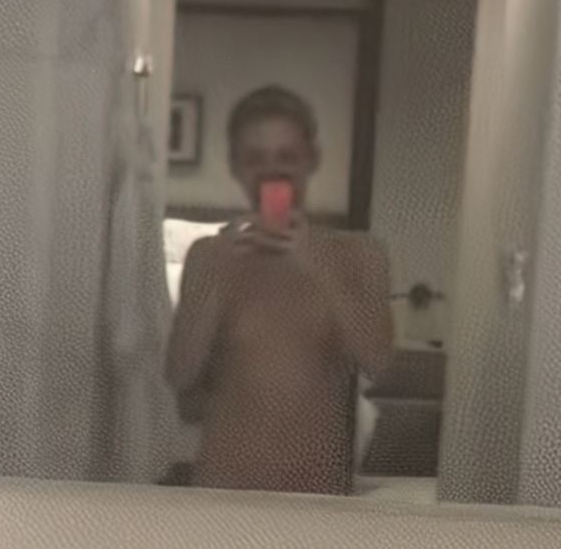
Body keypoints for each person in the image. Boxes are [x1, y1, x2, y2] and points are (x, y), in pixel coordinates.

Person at [165, 85, 392, 494]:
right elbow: (180, 376)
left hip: (316, 492)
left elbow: (380, 364)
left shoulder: (360, 254)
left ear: (312, 159)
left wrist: (320, 266)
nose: (272, 172)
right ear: (236, 167)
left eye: (287, 157)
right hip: (223, 485)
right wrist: (217, 280)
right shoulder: (208, 255)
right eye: (255, 159)